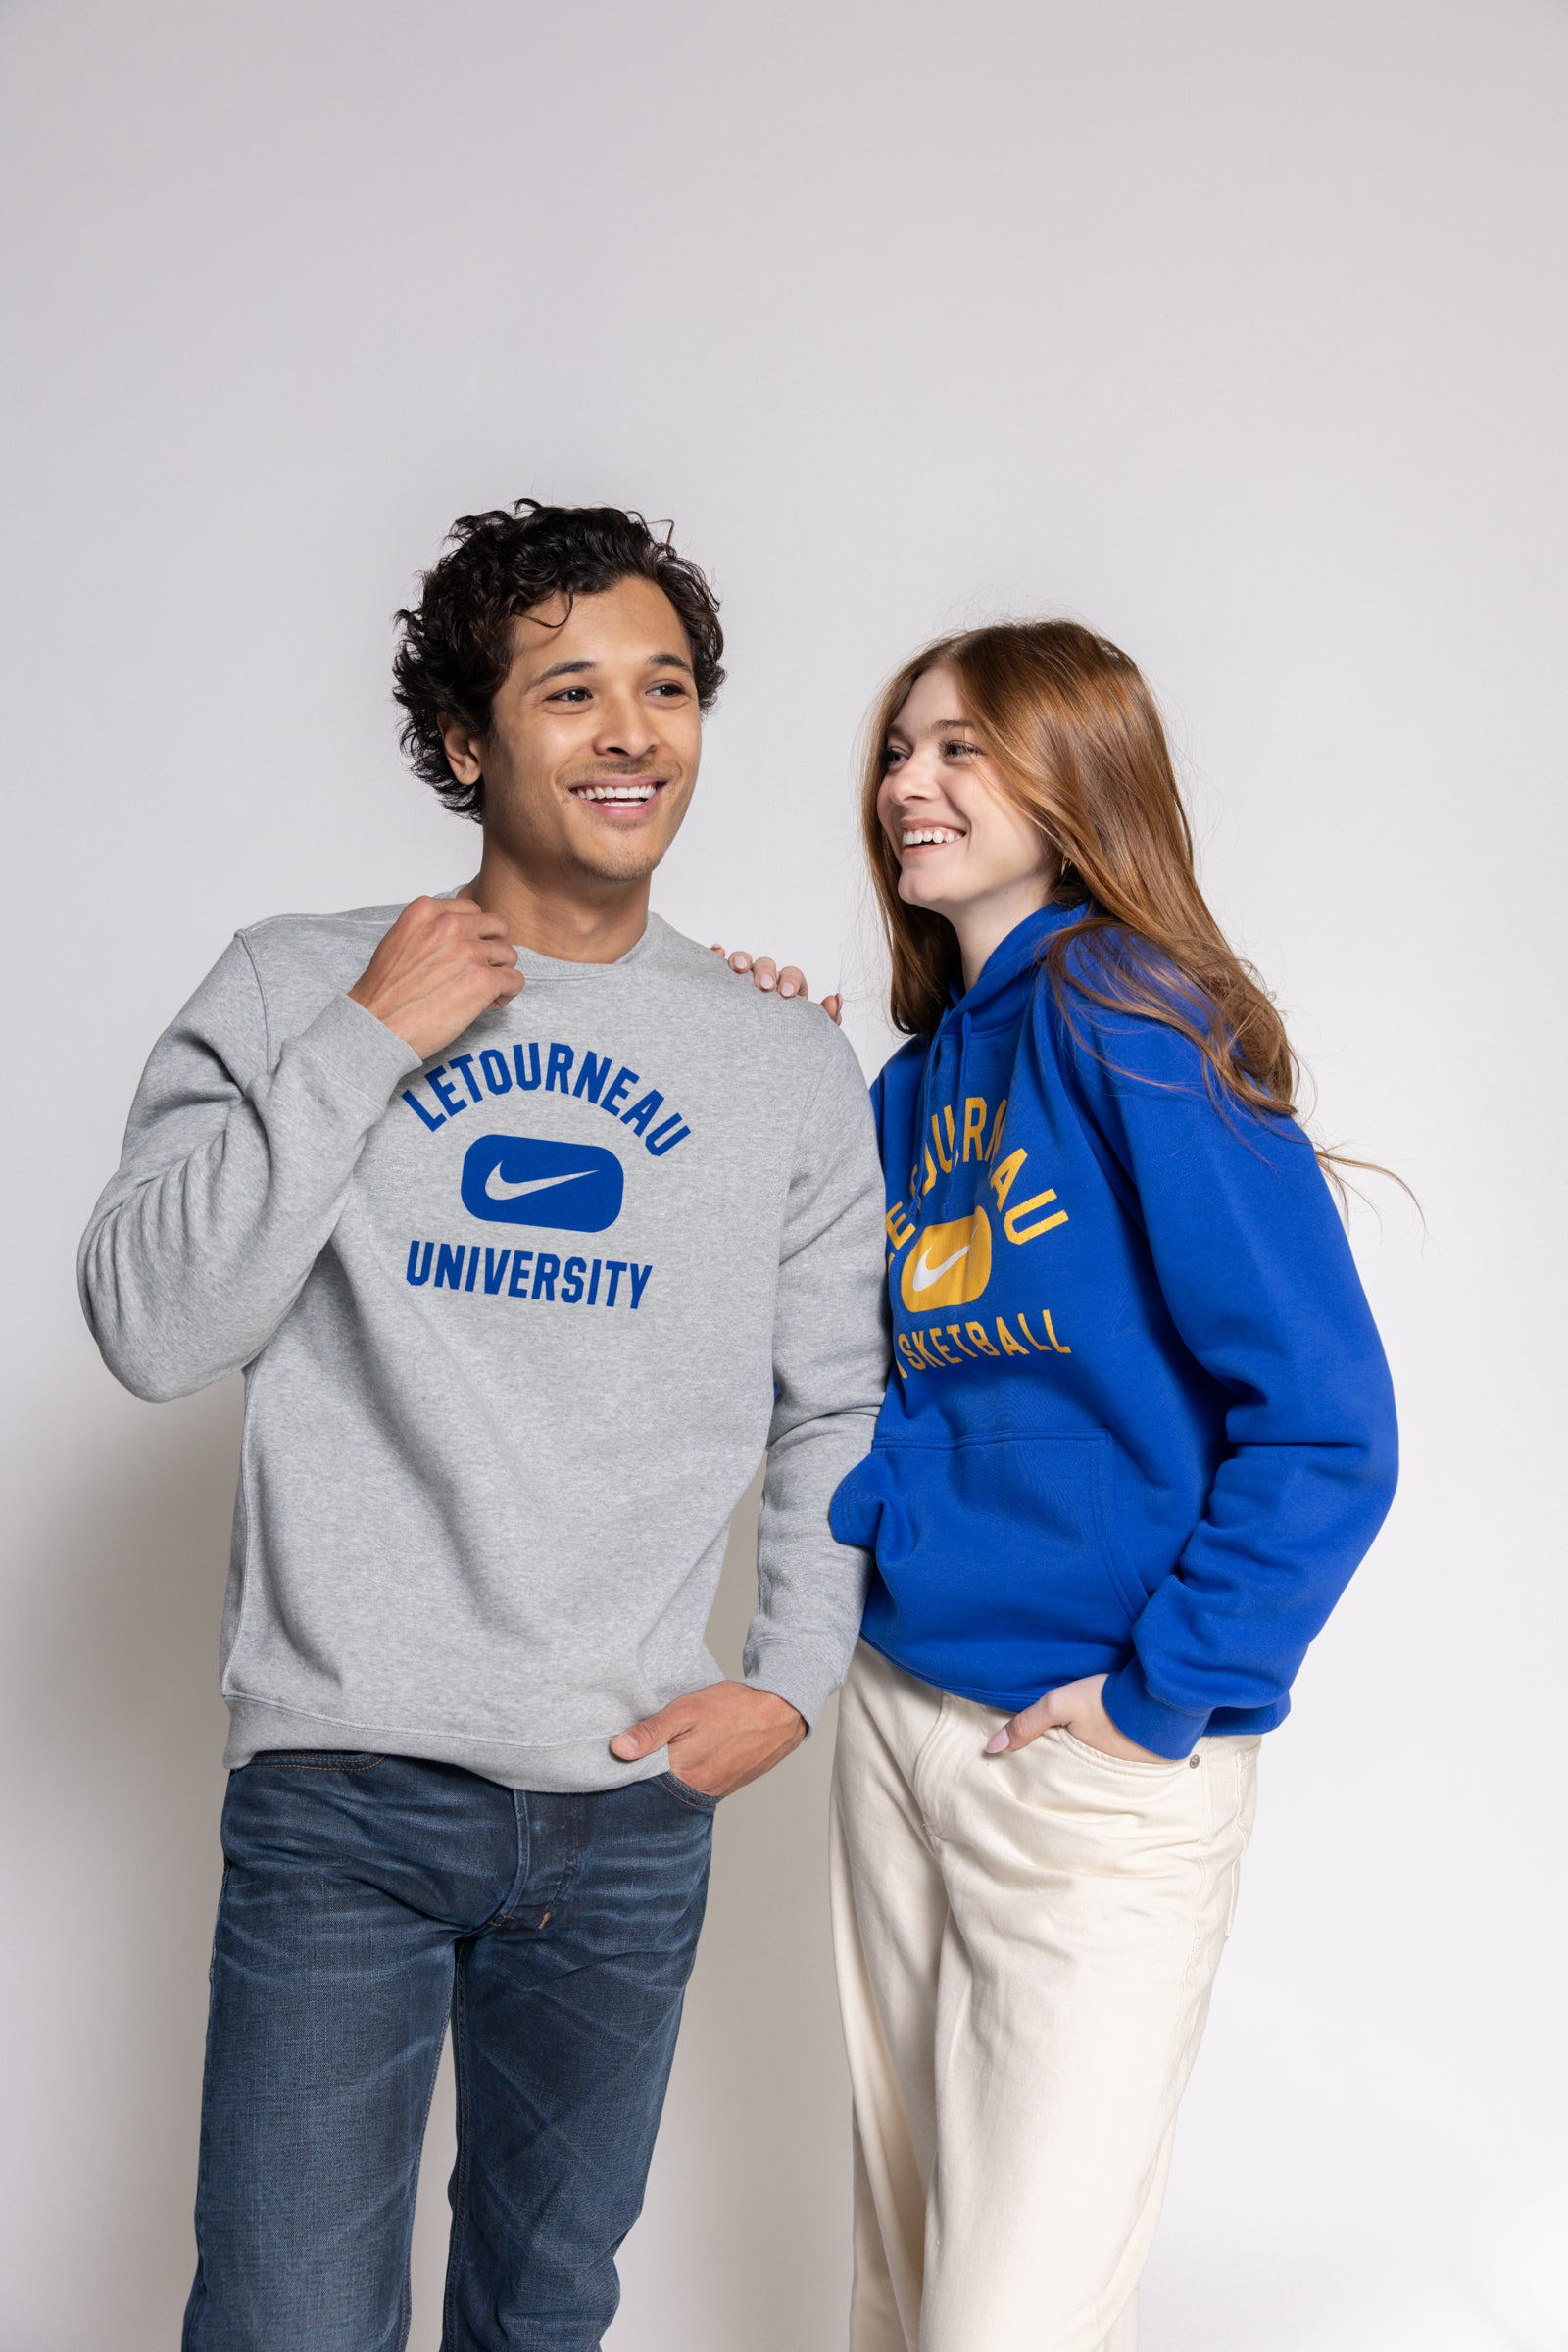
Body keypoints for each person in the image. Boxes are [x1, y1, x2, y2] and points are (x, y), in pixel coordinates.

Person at [76, 499, 888, 2352]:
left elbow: (840, 1393)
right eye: (570, 690)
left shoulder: (777, 1058)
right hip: (345, 1794)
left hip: (624, 1813)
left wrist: (795, 1671)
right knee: (287, 2324)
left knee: (543, 2321)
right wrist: (371, 1032)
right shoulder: (297, 983)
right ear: (465, 743)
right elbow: (148, 1323)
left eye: (666, 688)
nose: (631, 733)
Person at [820, 621, 1398, 2352]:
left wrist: (1162, 1700)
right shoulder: (920, 1080)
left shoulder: (1130, 1016)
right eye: (899, 751)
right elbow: (825, 1361)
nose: (910, 785)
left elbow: (1327, 1421)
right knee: (906, 2294)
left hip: (1088, 1752)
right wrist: (755, 1042)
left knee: (1014, 2318)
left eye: (962, 751)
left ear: (1077, 784)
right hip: (899, 1712)